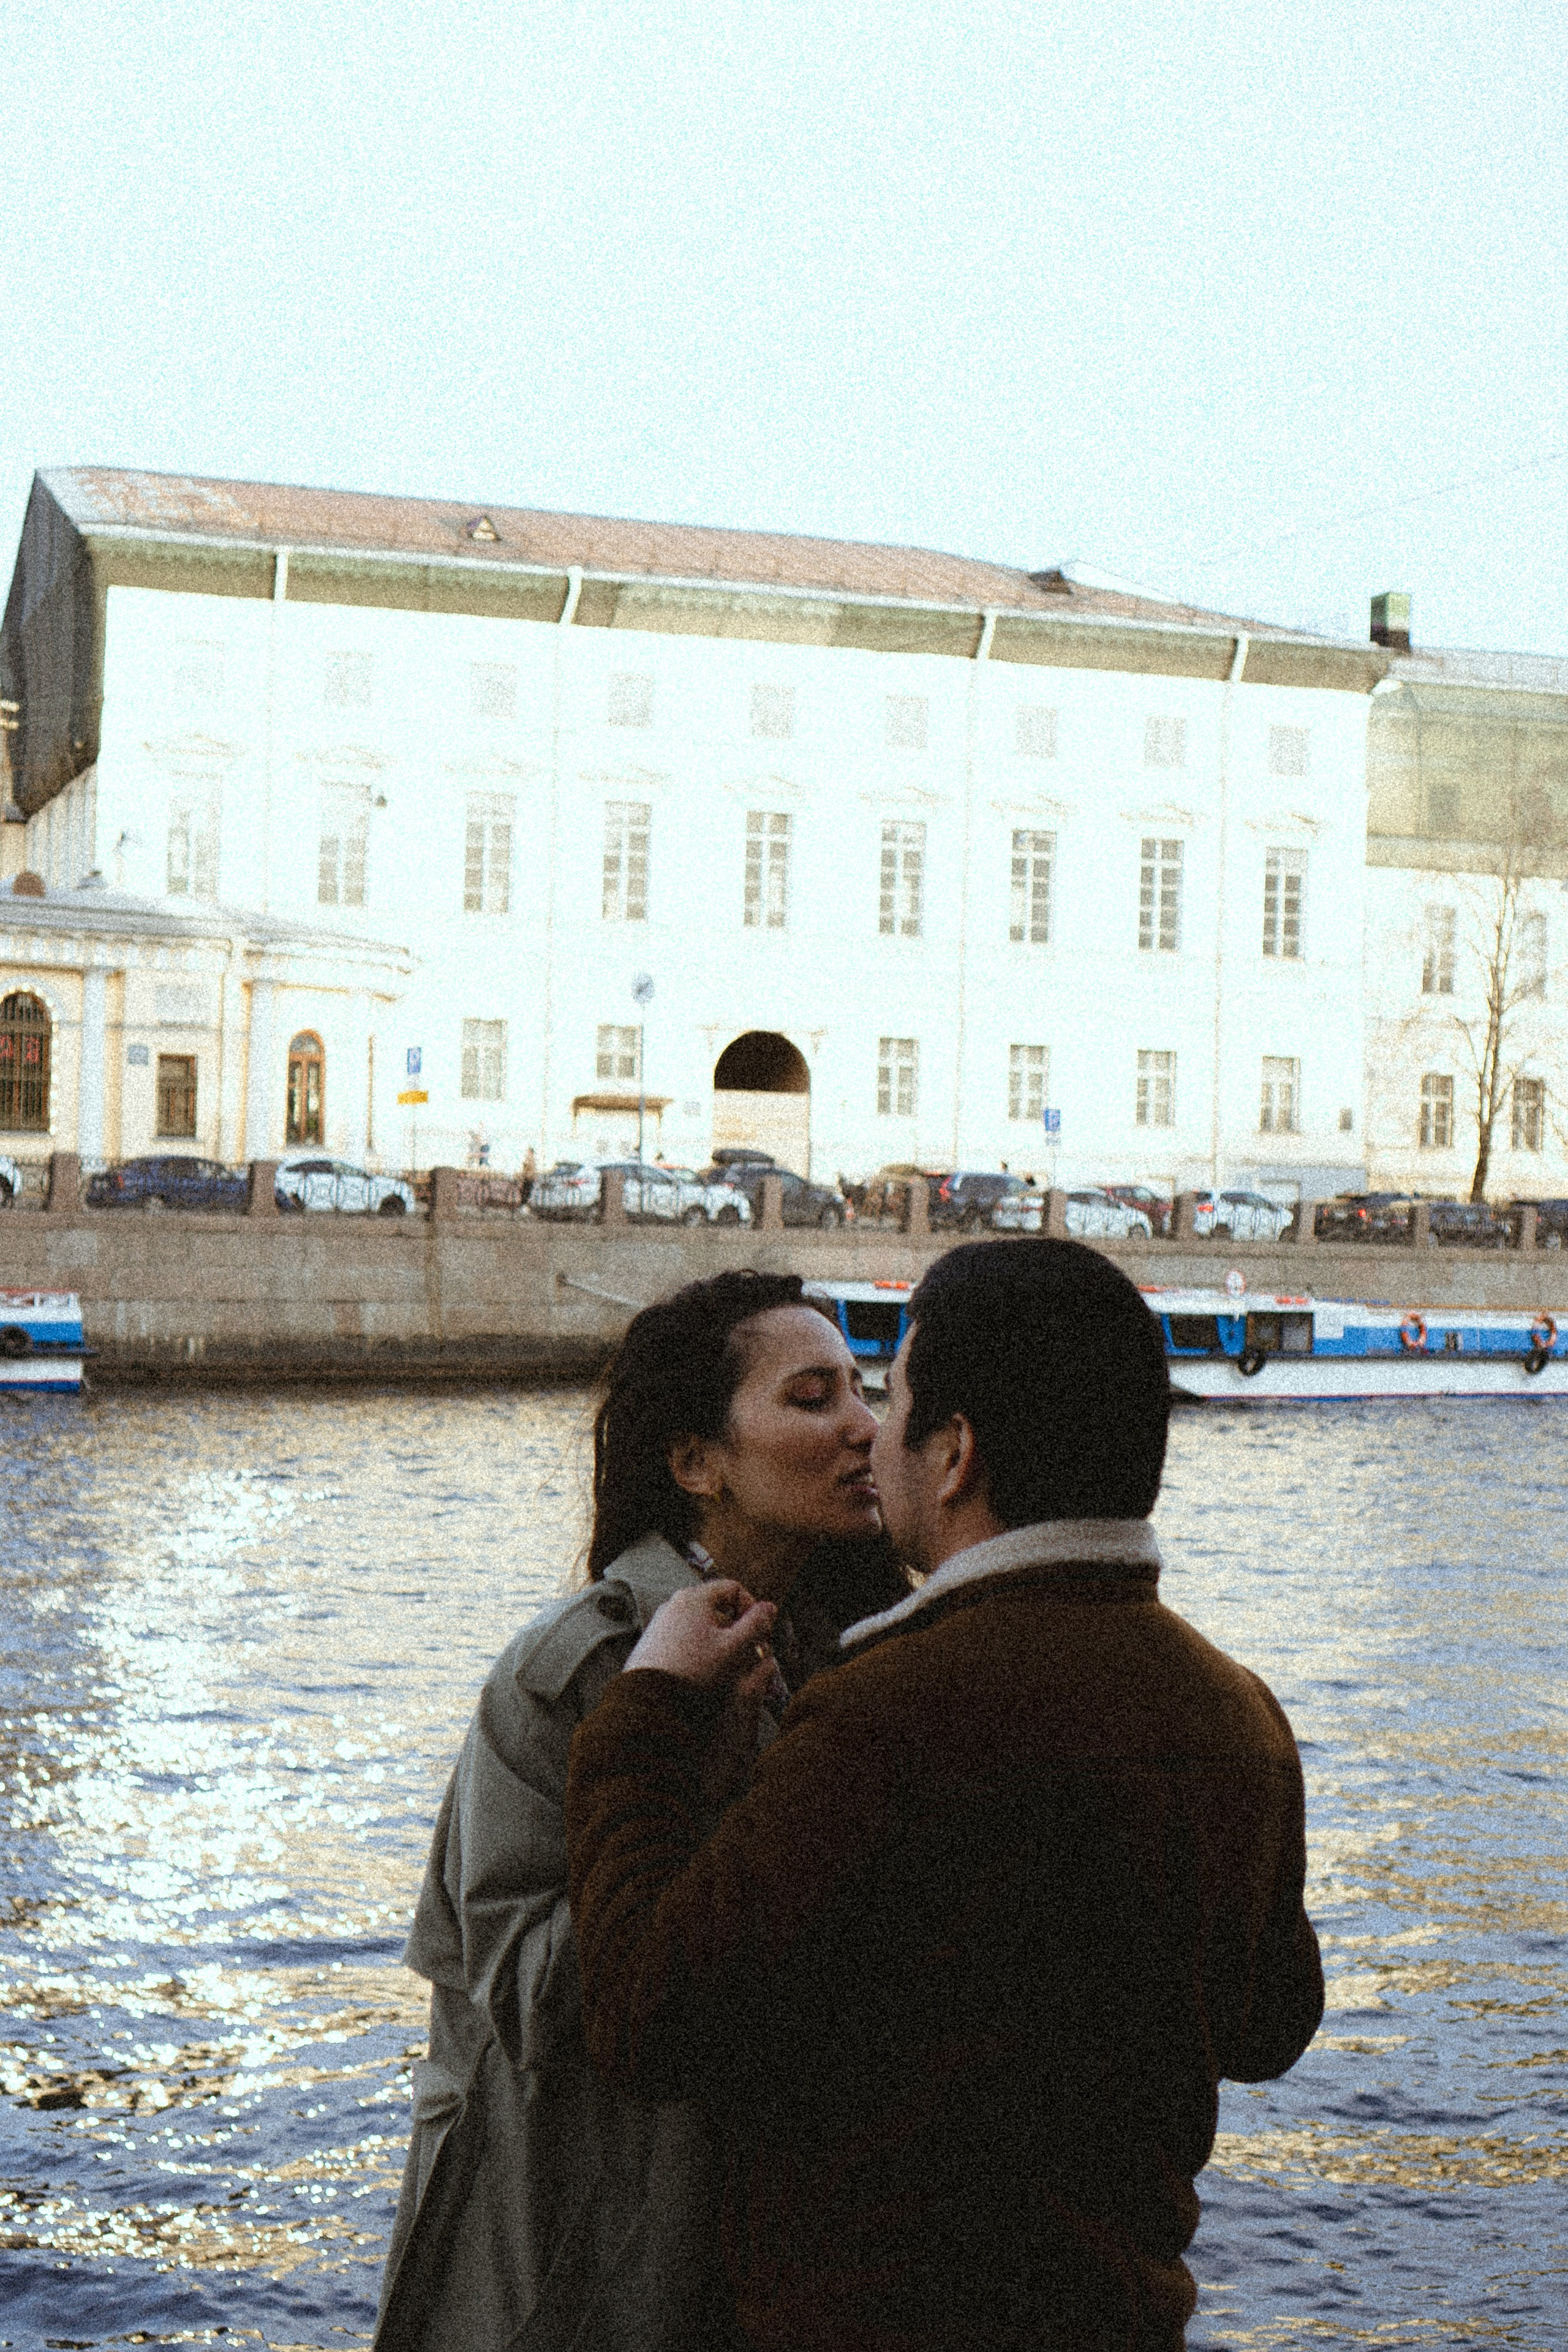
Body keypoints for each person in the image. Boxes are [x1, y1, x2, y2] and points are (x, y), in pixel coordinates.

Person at [567, 1238, 1325, 2352]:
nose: (874, 1433)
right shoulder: (1238, 1713)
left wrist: (648, 1714)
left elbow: (648, 2013)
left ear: (957, 1452)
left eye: (897, 1398)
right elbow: (1270, 2024)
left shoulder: (890, 1716)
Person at [374, 1269, 903, 2352]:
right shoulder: (576, 1670)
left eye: (865, 1389)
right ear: (696, 1463)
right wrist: (686, 1792)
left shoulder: (852, 1650)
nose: (865, 1427)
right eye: (814, 1399)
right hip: (581, 2257)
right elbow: (533, 1998)